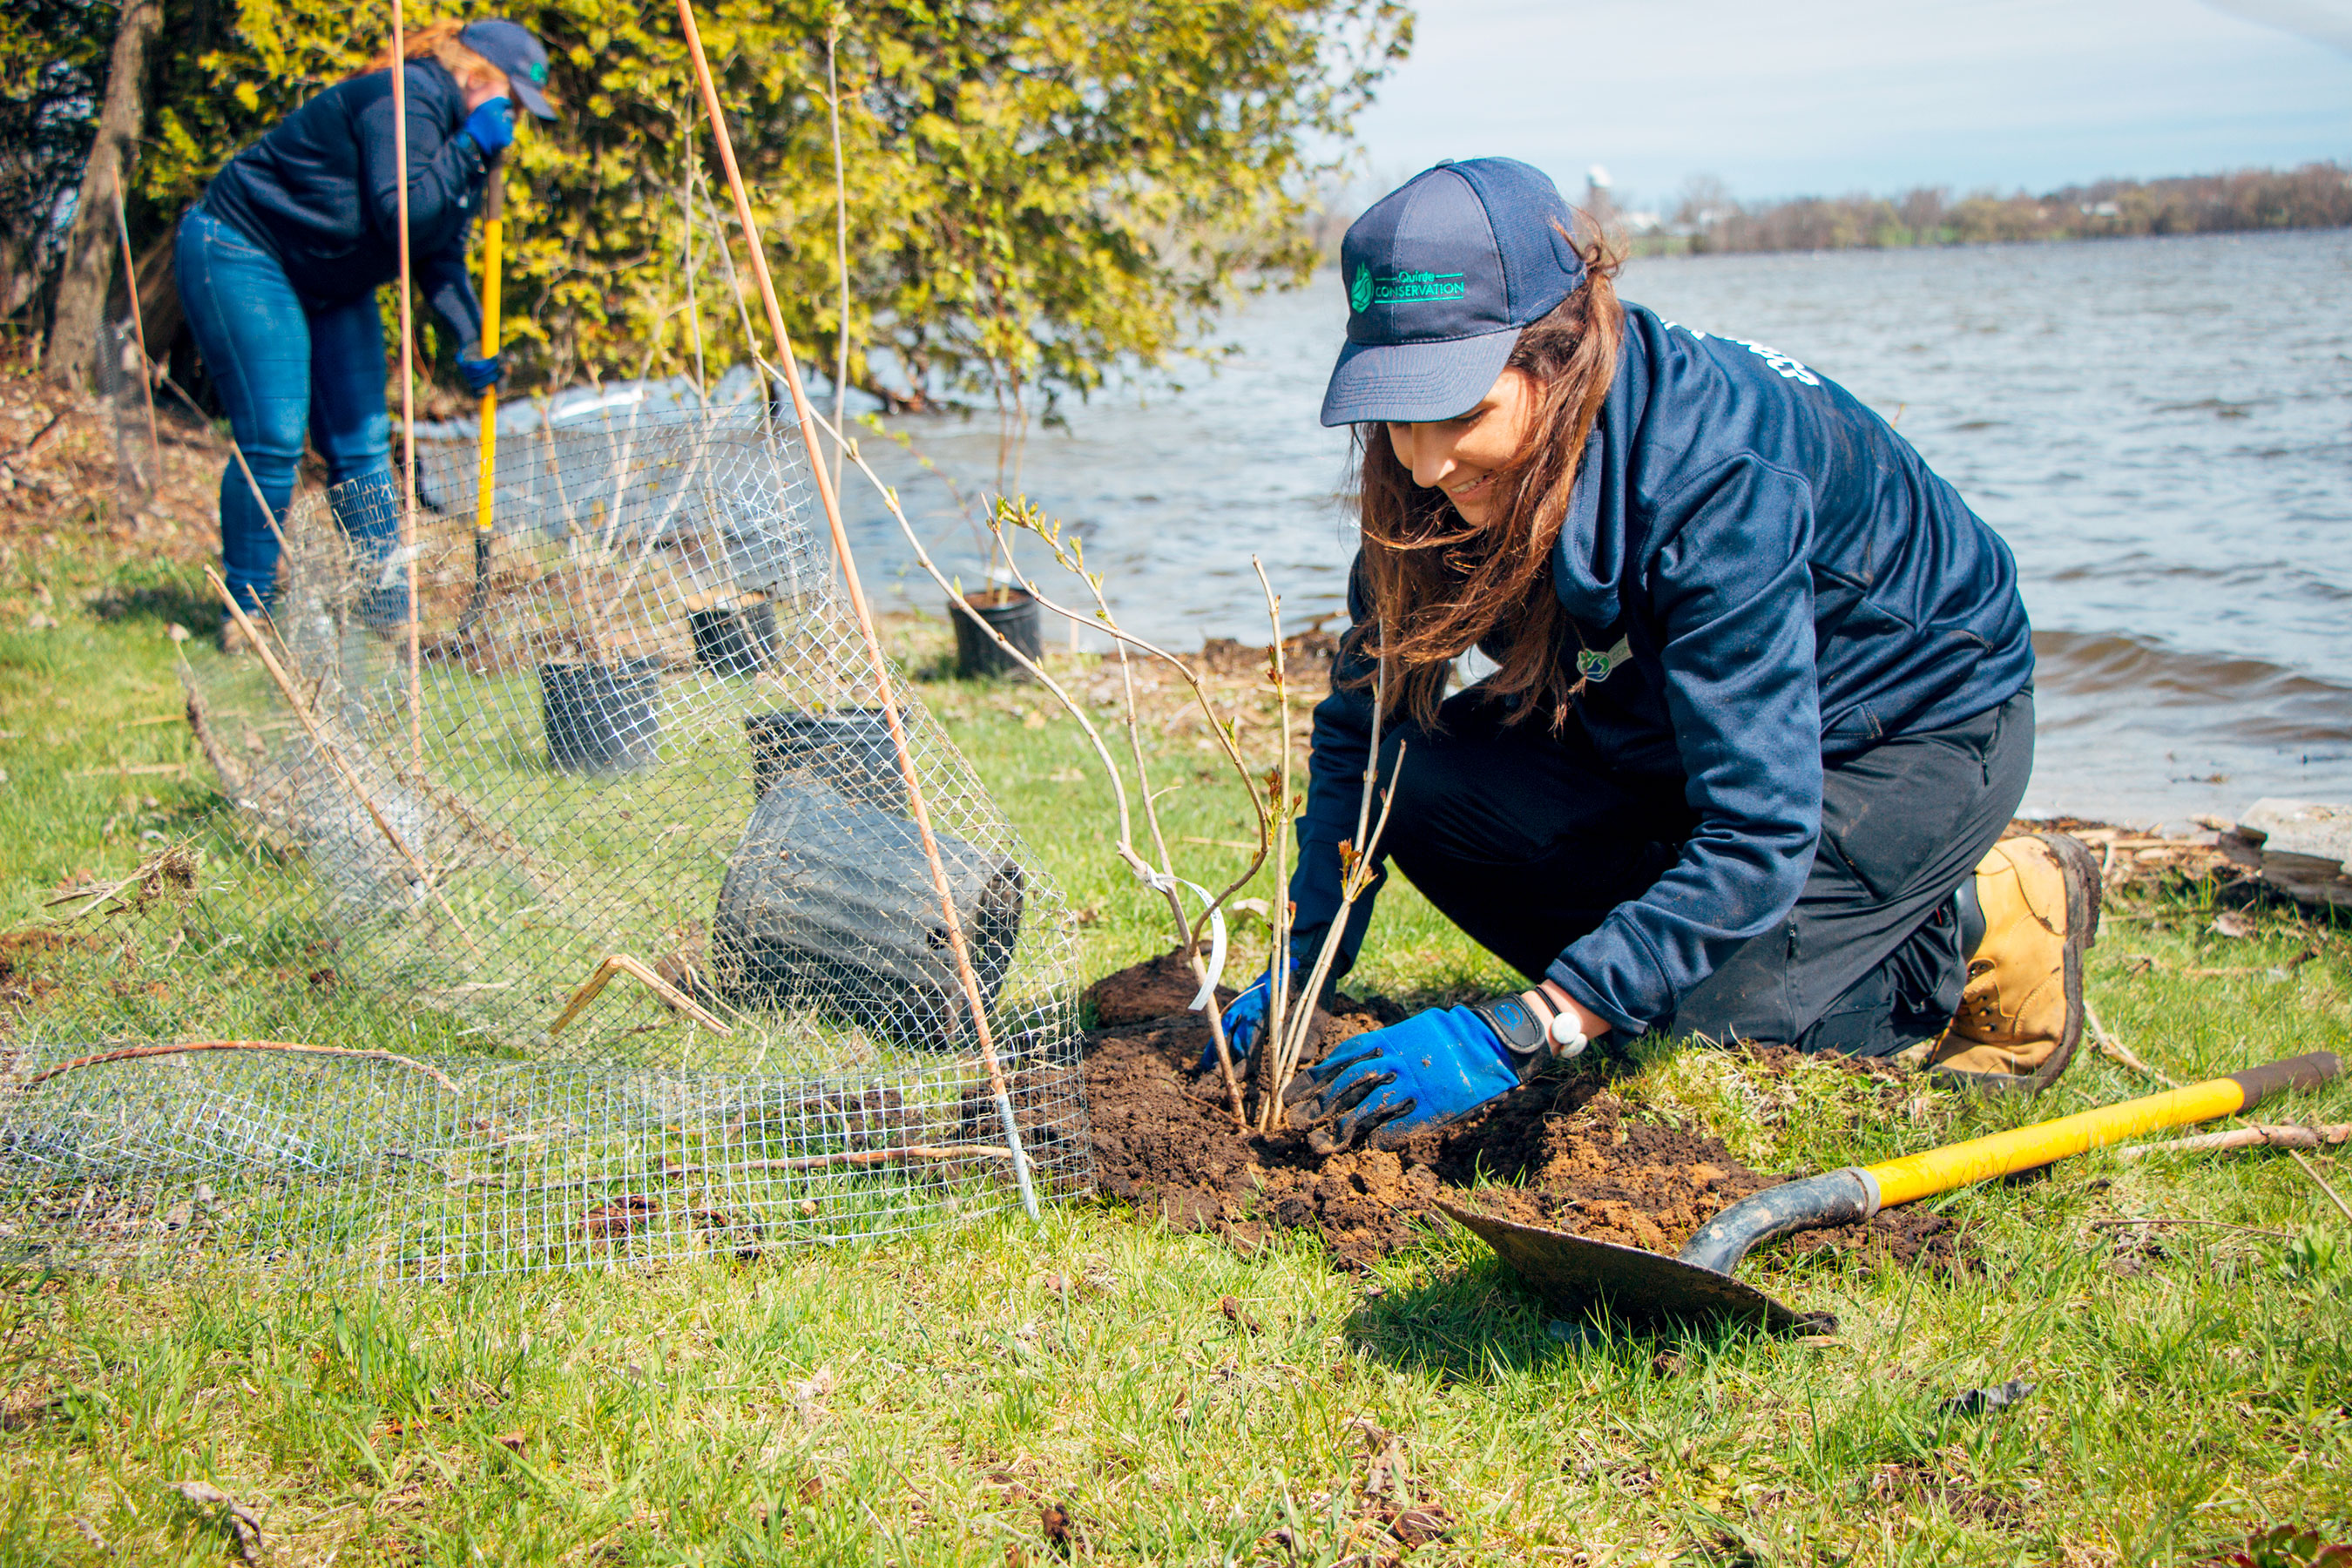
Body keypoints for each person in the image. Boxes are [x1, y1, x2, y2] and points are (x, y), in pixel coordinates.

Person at [1216, 158, 2100, 1152]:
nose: (1425, 462)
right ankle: (1709, 941)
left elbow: (1761, 828)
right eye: (1398, 413)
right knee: (1415, 781)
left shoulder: (1719, 478)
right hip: (1672, 706)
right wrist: (1305, 958)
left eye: (1460, 413)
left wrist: (1534, 1023)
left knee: (1717, 1018)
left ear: (1563, 354)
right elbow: (1363, 727)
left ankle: (1981, 918)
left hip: (1905, 729)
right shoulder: (1433, 474)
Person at [175, 17, 558, 646]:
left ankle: (387, 615)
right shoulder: (403, 99)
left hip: (331, 277)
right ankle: (246, 612)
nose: (512, 116)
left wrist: (470, 338)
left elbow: (439, 254)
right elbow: (402, 210)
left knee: (362, 445)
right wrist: (467, 149)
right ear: (476, 74)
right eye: (510, 98)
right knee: (274, 435)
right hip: (245, 249)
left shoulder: (463, 136)